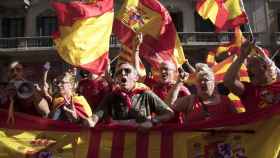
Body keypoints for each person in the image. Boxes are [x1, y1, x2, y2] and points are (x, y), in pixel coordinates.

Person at [89, 62, 174, 128]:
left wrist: (152, 121)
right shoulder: (111, 97)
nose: (122, 73)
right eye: (119, 72)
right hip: (118, 145)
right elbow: (94, 118)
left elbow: (169, 114)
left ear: (136, 78)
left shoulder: (146, 94)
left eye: (127, 71)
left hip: (141, 144)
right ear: (117, 79)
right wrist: (88, 121)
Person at [170, 63, 238, 123]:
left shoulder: (225, 101)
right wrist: (178, 83)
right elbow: (169, 106)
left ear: (213, 83)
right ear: (196, 85)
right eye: (199, 80)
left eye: (205, 80)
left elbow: (237, 122)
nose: (202, 82)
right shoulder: (190, 100)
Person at [224, 41, 280, 112]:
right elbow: (228, 81)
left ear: (264, 67)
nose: (248, 70)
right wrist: (241, 57)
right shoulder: (248, 90)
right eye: (247, 67)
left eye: (251, 66)